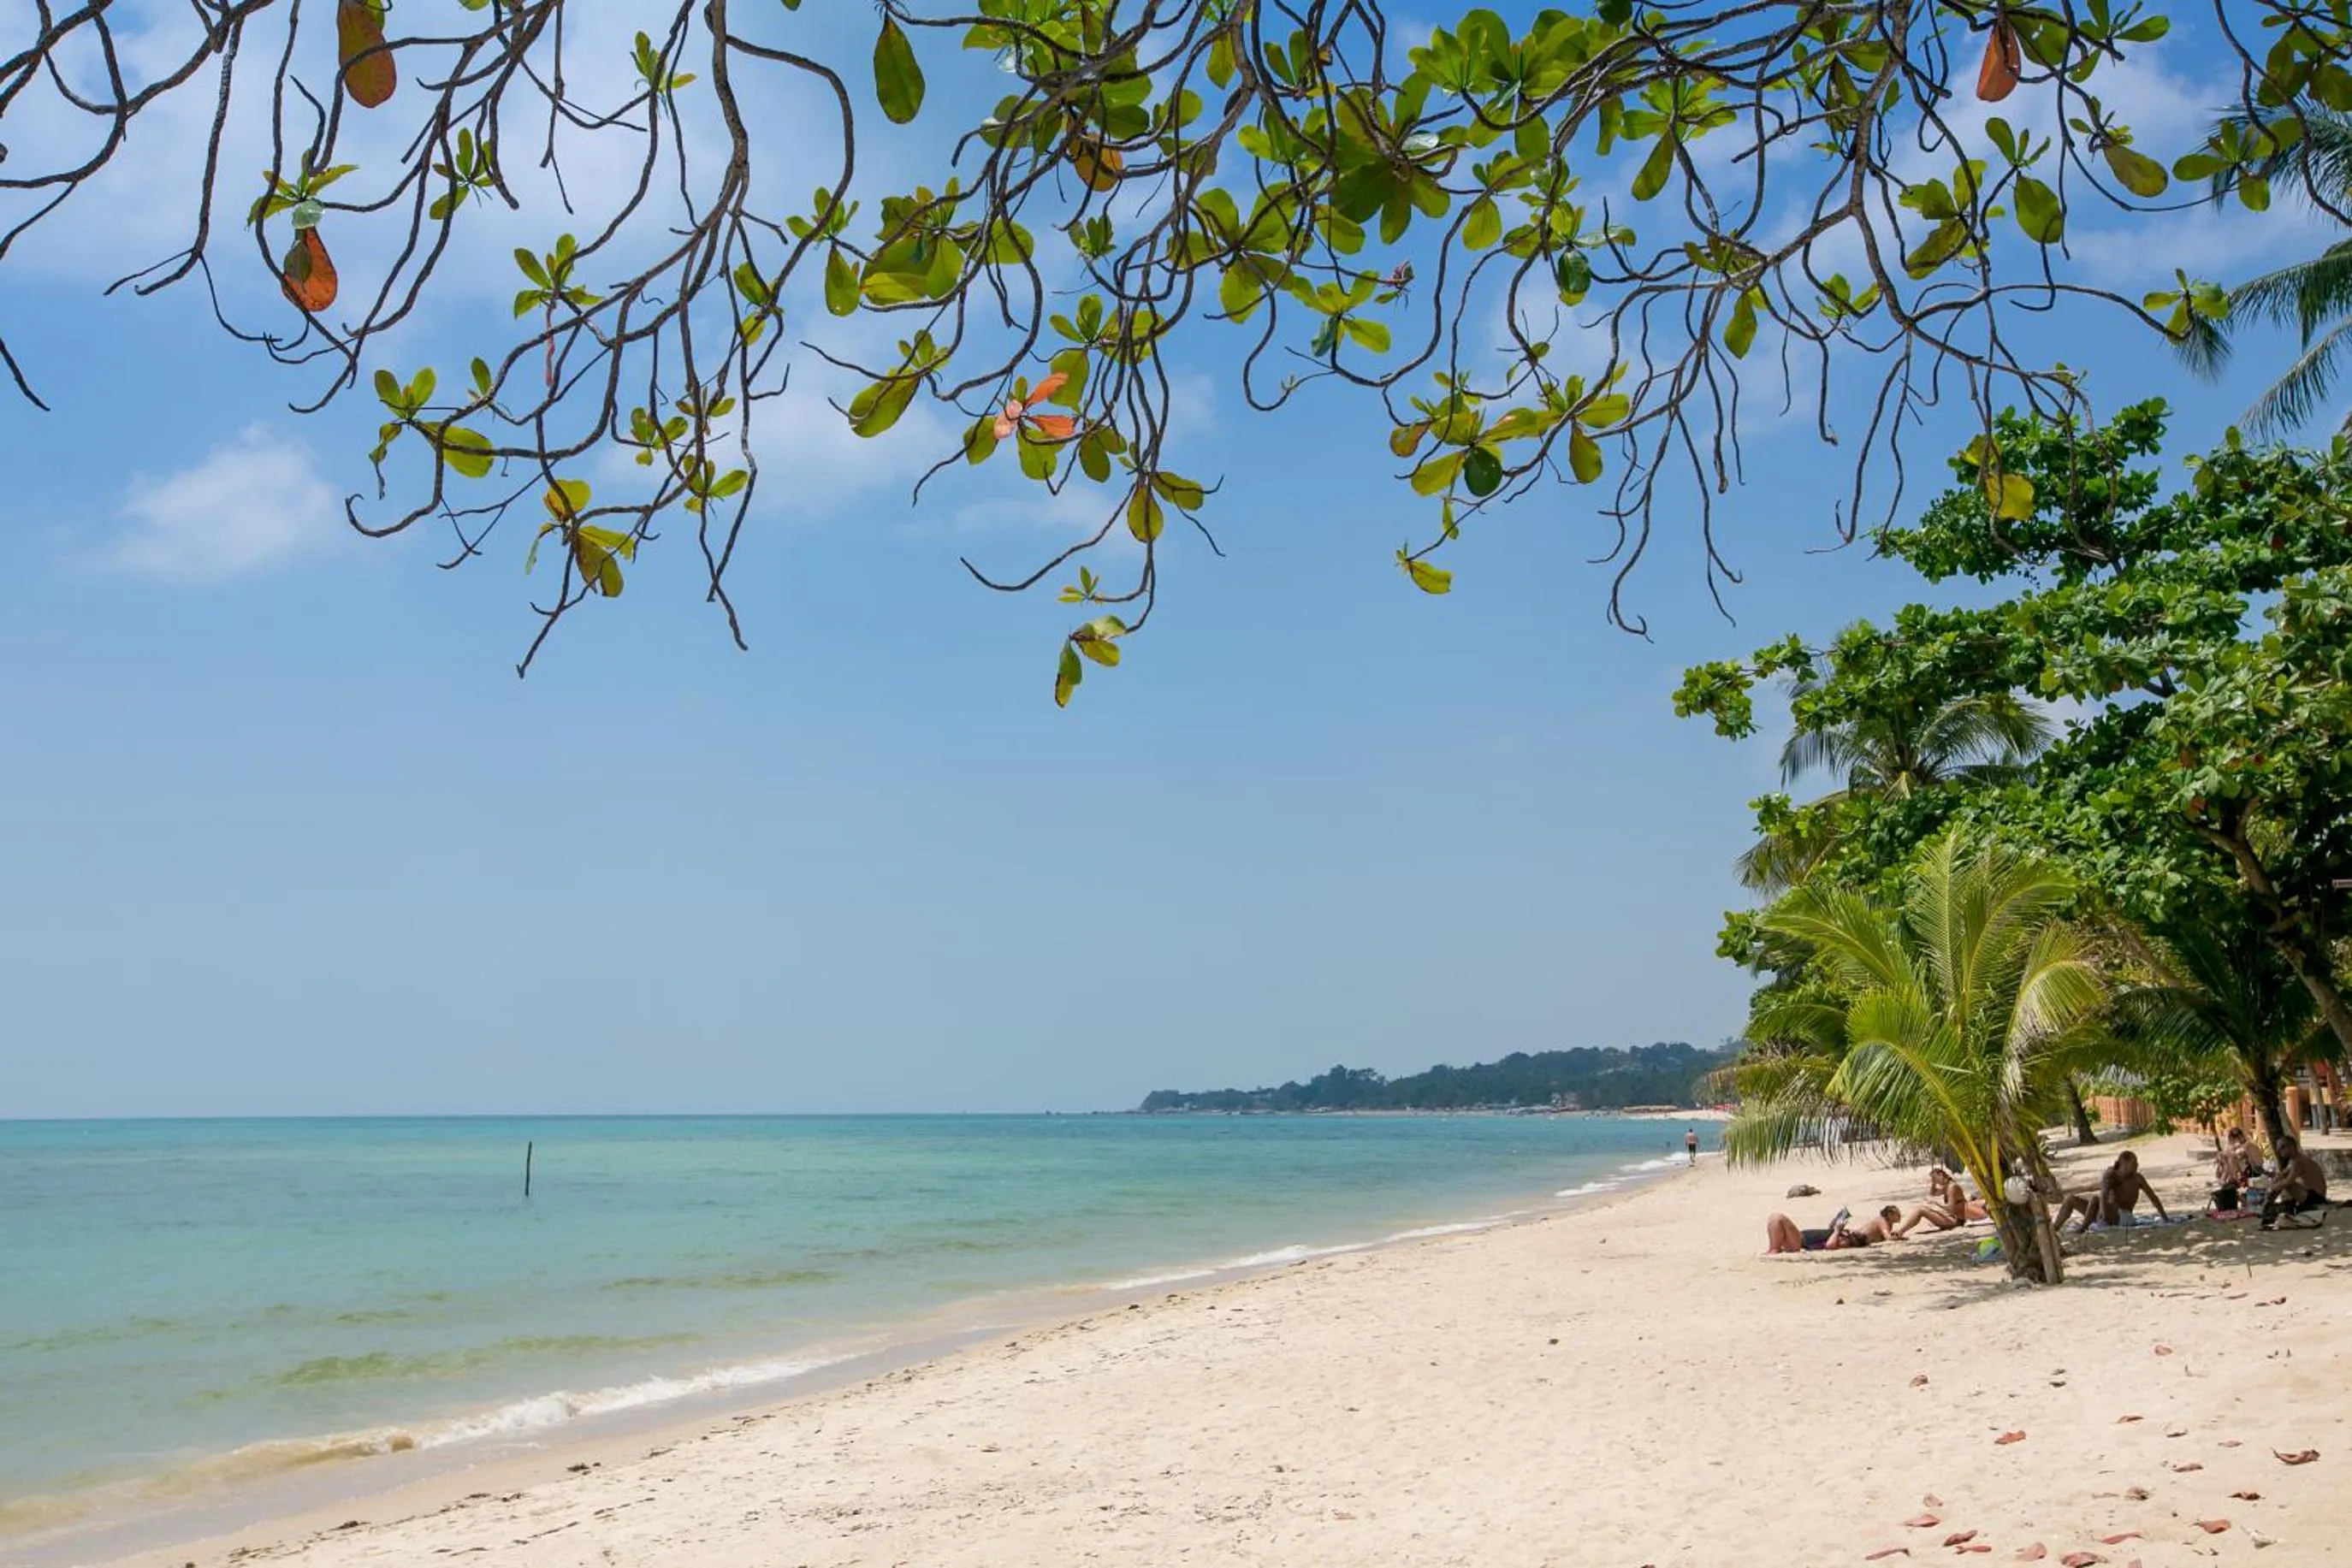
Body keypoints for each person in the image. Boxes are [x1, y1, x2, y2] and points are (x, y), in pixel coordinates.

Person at [2053, 1150, 2169, 1234]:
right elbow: (2103, 1192)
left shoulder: (2137, 1178)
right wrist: (2102, 1213)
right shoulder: (2111, 1175)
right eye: (2134, 1163)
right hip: (2106, 1215)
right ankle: (2054, 1229)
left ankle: (2083, 1228)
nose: (2137, 1165)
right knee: (2070, 1199)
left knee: (2095, 1199)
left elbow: (2153, 1197)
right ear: (2124, 1164)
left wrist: (2165, 1217)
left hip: (2124, 1217)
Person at [1763, 1204, 1900, 1253]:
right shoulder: (1882, 1221)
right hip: (1800, 1239)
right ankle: (1774, 1248)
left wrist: (1837, 1231)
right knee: (1776, 1218)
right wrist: (1836, 1227)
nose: (1900, 1216)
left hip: (1800, 1241)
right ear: (1889, 1214)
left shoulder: (1846, 1239)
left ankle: (1774, 1249)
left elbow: (1830, 1246)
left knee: (1777, 1217)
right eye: (1897, 1214)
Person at [1891, 1167, 1986, 1237]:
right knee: (1922, 1208)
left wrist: (1935, 1203)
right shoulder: (1947, 1186)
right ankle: (1901, 1231)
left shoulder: (1952, 1187)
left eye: (1935, 1178)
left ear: (1941, 1175)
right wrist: (1933, 1184)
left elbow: (1951, 1209)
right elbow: (1932, 1195)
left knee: (1921, 1210)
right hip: (1953, 1217)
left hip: (1956, 1221)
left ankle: (1900, 1231)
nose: (1935, 1181)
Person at [2260, 1135, 2330, 1230]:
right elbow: (2281, 1174)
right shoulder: (2293, 1160)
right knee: (2280, 1182)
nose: (2280, 1151)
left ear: (2292, 1147)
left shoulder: (2299, 1161)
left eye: (2283, 1147)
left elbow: (2288, 1182)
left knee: (2287, 1184)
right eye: (2279, 1149)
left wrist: (2271, 1188)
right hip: (2308, 1194)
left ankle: (2266, 1207)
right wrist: (2273, 1182)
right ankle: (2267, 1206)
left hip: (2316, 1197)